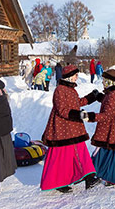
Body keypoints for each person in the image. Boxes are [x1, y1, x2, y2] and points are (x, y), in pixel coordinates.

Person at [40, 65, 100, 193]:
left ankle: (89, 178)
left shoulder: (71, 89)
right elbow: (62, 110)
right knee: (63, 156)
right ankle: (59, 182)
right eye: (75, 75)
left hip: (74, 127)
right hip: (62, 128)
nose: (77, 77)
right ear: (69, 76)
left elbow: (76, 103)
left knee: (81, 151)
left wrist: (91, 97)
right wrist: (78, 114)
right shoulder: (59, 90)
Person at [83, 69, 115, 185]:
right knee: (110, 151)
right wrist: (99, 96)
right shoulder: (114, 93)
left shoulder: (113, 95)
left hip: (113, 128)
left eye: (104, 80)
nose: (102, 83)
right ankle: (108, 175)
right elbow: (109, 104)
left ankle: (111, 177)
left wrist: (89, 117)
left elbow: (107, 114)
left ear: (110, 81)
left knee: (108, 150)